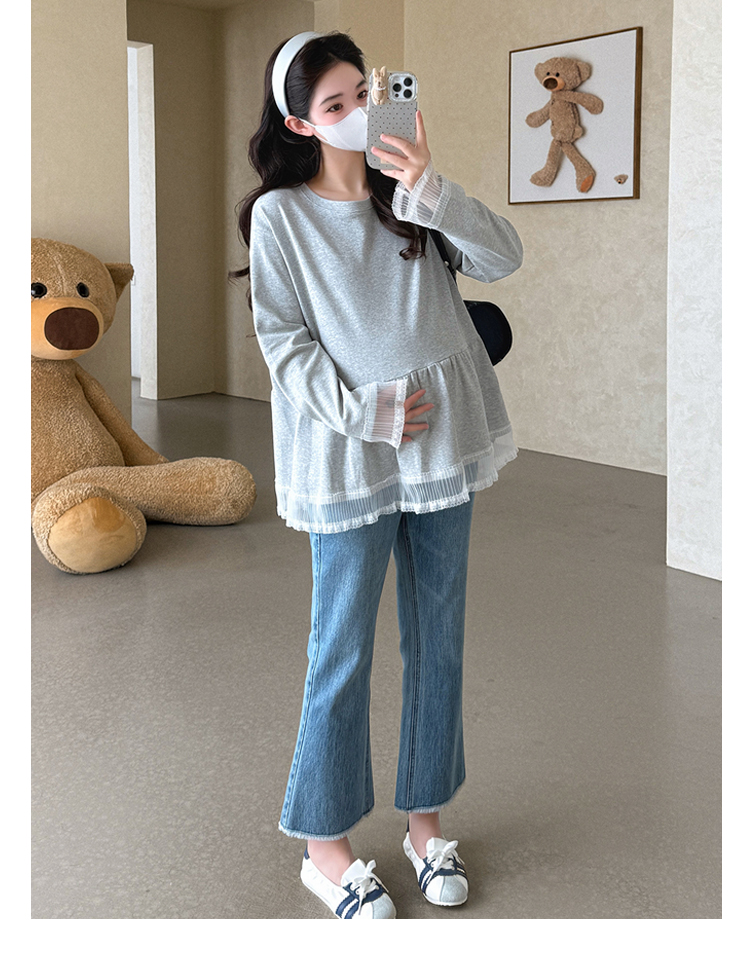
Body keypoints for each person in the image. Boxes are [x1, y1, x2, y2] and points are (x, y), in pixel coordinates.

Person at [232, 31, 523, 919]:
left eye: (364, 93)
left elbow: (504, 258)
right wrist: (368, 412)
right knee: (341, 648)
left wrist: (429, 183)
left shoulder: (411, 198)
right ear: (300, 123)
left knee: (439, 639)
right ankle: (324, 848)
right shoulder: (282, 217)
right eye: (336, 104)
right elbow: (283, 342)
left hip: (440, 449)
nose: (358, 111)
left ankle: (425, 826)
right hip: (349, 453)